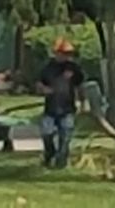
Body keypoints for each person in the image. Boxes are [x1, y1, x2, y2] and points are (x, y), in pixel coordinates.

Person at [35, 38, 85, 168]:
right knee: (47, 133)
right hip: (50, 108)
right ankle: (49, 154)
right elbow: (39, 83)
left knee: (65, 137)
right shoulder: (48, 68)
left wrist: (82, 102)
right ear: (56, 53)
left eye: (68, 53)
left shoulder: (73, 68)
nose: (66, 56)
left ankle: (61, 163)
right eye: (63, 53)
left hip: (67, 108)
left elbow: (80, 85)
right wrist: (44, 89)